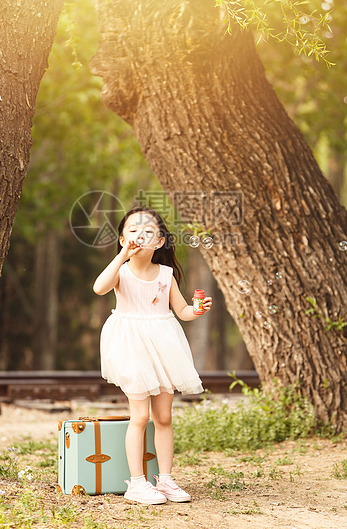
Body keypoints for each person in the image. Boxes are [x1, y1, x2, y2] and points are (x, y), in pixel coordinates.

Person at [93, 207, 212, 505]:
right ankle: (136, 483)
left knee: (163, 416)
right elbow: (99, 288)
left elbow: (181, 311)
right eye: (133, 230)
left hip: (162, 344)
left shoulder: (166, 274)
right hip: (130, 343)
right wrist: (121, 256)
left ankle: (166, 480)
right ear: (122, 239)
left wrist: (195, 311)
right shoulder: (120, 270)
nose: (140, 235)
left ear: (159, 242)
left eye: (148, 231)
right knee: (141, 415)